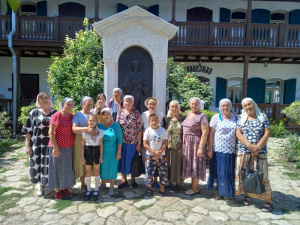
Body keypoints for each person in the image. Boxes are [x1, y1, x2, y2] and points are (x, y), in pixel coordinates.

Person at [235, 98, 272, 212]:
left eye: (249, 104)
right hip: (243, 151)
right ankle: (248, 195)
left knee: (262, 176)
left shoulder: (262, 116)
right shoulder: (241, 118)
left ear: (254, 104)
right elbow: (238, 133)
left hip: (260, 152)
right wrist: (250, 146)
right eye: (245, 105)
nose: (247, 107)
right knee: (247, 175)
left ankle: (268, 201)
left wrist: (257, 147)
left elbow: (267, 133)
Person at [22, 92, 57, 197]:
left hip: (50, 145)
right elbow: (28, 131)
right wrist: (27, 145)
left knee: (49, 165)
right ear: (39, 101)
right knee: (36, 165)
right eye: (42, 98)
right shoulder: (34, 113)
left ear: (49, 99)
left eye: (46, 97)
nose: (45, 100)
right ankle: (40, 186)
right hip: (36, 145)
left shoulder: (55, 113)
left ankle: (47, 186)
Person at [206, 99, 237, 200]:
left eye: (227, 105)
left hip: (231, 149)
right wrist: (209, 148)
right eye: (223, 106)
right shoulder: (216, 117)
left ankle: (227, 191)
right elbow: (210, 134)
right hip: (218, 149)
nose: (225, 108)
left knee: (229, 171)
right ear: (220, 107)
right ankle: (219, 191)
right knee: (219, 171)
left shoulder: (236, 117)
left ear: (231, 106)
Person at [48, 98, 76, 200]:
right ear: (63, 104)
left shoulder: (72, 116)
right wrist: (55, 148)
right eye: (68, 104)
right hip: (57, 147)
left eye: (72, 105)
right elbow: (51, 132)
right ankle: (58, 189)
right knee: (57, 168)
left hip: (69, 147)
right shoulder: (57, 115)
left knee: (66, 169)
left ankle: (64, 187)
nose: (70, 107)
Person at [181, 97, 209, 195]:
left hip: (195, 143)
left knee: (195, 164)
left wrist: (200, 148)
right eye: (192, 104)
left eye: (196, 104)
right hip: (186, 143)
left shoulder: (202, 115)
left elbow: (205, 132)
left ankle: (195, 188)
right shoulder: (188, 113)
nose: (193, 106)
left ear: (199, 105)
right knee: (190, 163)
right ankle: (192, 184)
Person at [117, 95, 142, 189]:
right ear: (123, 102)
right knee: (122, 160)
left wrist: (139, 143)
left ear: (132, 103)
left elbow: (139, 129)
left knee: (132, 161)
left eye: (129, 101)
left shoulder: (136, 113)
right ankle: (124, 180)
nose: (127, 103)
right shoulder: (120, 113)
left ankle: (133, 180)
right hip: (122, 142)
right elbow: (117, 127)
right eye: (126, 101)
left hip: (133, 142)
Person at [140, 97, 165, 188]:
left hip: (158, 143)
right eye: (150, 104)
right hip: (147, 144)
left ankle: (156, 180)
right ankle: (148, 182)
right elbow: (142, 128)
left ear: (156, 105)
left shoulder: (160, 114)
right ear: (147, 105)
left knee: (158, 162)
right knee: (149, 163)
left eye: (154, 103)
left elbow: (162, 128)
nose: (152, 105)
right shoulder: (144, 115)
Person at [98, 108, 123, 196]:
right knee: (102, 167)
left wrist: (118, 151)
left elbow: (120, 139)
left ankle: (112, 186)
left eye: (107, 114)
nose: (105, 116)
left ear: (111, 115)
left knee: (112, 167)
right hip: (102, 150)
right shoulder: (99, 125)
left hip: (113, 150)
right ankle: (103, 183)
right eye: (104, 115)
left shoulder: (116, 125)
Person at [143, 114, 169, 198]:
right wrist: (153, 152)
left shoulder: (162, 130)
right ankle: (149, 189)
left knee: (163, 172)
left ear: (158, 121)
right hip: (150, 155)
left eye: (155, 120)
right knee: (149, 172)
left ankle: (162, 188)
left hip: (162, 155)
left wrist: (160, 152)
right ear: (149, 122)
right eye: (152, 121)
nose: (154, 122)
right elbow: (145, 143)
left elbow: (165, 143)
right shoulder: (147, 131)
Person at [72, 96, 95, 190]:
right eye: (87, 103)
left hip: (90, 140)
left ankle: (89, 181)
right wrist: (86, 129)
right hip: (79, 140)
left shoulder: (93, 114)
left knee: (89, 160)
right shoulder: (78, 114)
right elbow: (74, 129)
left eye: (91, 103)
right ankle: (82, 183)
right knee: (81, 161)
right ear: (82, 104)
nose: (90, 105)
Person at [81, 114, 104, 201]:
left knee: (97, 170)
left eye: (94, 121)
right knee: (88, 171)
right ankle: (89, 189)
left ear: (96, 122)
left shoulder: (100, 132)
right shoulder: (84, 132)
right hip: (88, 151)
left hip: (97, 151)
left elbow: (101, 144)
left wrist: (101, 156)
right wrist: (82, 157)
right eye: (90, 121)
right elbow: (82, 145)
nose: (92, 122)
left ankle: (96, 189)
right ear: (87, 121)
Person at [164, 100, 185, 191]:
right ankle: (169, 182)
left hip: (179, 144)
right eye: (172, 106)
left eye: (176, 106)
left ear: (178, 107)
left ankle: (178, 183)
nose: (174, 108)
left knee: (178, 163)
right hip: (168, 145)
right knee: (168, 163)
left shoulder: (182, 118)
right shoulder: (166, 118)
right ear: (169, 107)